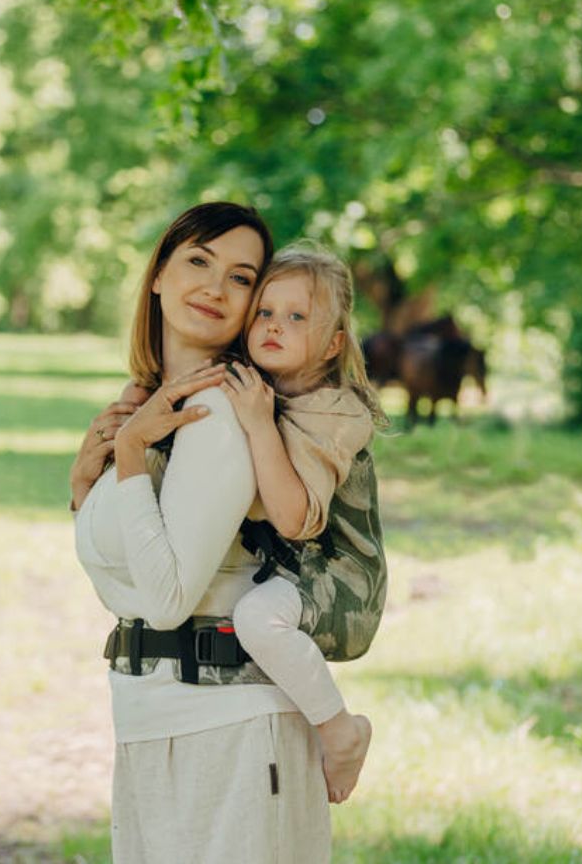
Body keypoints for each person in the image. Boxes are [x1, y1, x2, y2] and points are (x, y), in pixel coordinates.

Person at [72, 203, 333, 864]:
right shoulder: (154, 405)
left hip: (232, 733)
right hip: (150, 720)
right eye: (198, 260)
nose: (216, 287)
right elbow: (124, 587)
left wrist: (129, 457)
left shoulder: (218, 409)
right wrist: (86, 487)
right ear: (158, 274)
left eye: (241, 277)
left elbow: (163, 601)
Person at [221, 245, 385, 804]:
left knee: (256, 618)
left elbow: (292, 518)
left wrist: (258, 424)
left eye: (297, 317)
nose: (274, 326)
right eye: (265, 313)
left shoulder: (337, 412)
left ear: (333, 342)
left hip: (344, 582)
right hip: (295, 569)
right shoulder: (254, 386)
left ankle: (341, 732)